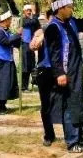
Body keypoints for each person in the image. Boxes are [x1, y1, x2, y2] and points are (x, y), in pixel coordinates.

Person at [42, 0, 83, 154]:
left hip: (76, 71)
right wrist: (59, 74)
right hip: (66, 72)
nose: (72, 9)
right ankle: (73, 142)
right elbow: (54, 53)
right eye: (69, 7)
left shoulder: (71, 23)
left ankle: (79, 136)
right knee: (69, 106)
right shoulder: (53, 27)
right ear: (60, 8)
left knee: (78, 103)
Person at [32, 9, 57, 147]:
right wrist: (37, 40)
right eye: (52, 18)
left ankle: (73, 135)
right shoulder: (40, 31)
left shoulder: (60, 31)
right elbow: (32, 46)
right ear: (48, 18)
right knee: (45, 105)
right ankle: (49, 134)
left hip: (59, 71)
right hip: (44, 70)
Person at [0, 11, 22, 114]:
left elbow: (13, 42)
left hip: (8, 61)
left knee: (6, 85)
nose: (11, 21)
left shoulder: (7, 31)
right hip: (0, 62)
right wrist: (17, 34)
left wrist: (19, 38)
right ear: (5, 20)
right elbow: (6, 42)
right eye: (10, 20)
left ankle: (2, 105)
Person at [20, 4, 40, 92]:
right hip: (24, 45)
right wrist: (35, 15)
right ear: (24, 12)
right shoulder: (22, 20)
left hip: (30, 45)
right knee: (25, 66)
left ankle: (34, 82)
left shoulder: (33, 20)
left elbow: (37, 25)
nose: (29, 12)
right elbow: (31, 22)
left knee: (32, 65)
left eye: (30, 10)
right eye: (27, 10)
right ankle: (23, 86)